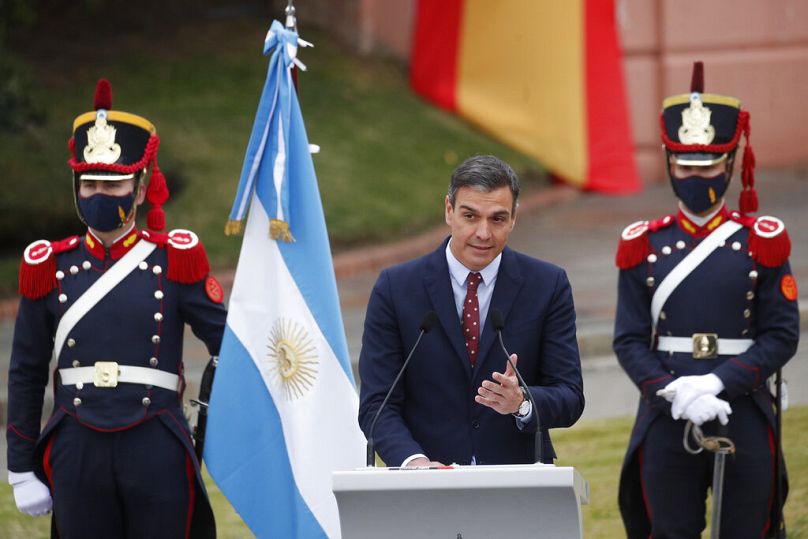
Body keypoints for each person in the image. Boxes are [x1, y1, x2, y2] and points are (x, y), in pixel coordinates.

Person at [6, 79, 227, 538]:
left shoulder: (175, 260)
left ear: (140, 189)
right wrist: (20, 466)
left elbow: (232, 347)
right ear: (76, 188)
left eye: (114, 183)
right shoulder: (49, 265)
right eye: (90, 184)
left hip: (156, 442)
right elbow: (26, 370)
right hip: (77, 445)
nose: (100, 194)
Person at [613, 62, 800, 538]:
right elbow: (629, 339)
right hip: (666, 409)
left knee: (749, 529)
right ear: (669, 163)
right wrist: (672, 391)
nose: (698, 176)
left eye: (710, 166)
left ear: (731, 163)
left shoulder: (762, 240)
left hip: (742, 406)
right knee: (668, 530)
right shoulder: (643, 244)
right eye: (685, 167)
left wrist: (718, 383)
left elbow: (781, 334)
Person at [358, 154, 584, 467]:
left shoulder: (547, 285)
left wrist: (522, 403)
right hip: (427, 485)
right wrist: (414, 463)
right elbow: (377, 406)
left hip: (518, 483)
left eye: (497, 219)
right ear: (449, 210)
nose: (483, 233)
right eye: (470, 216)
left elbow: (570, 396)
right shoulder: (396, 289)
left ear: (514, 218)